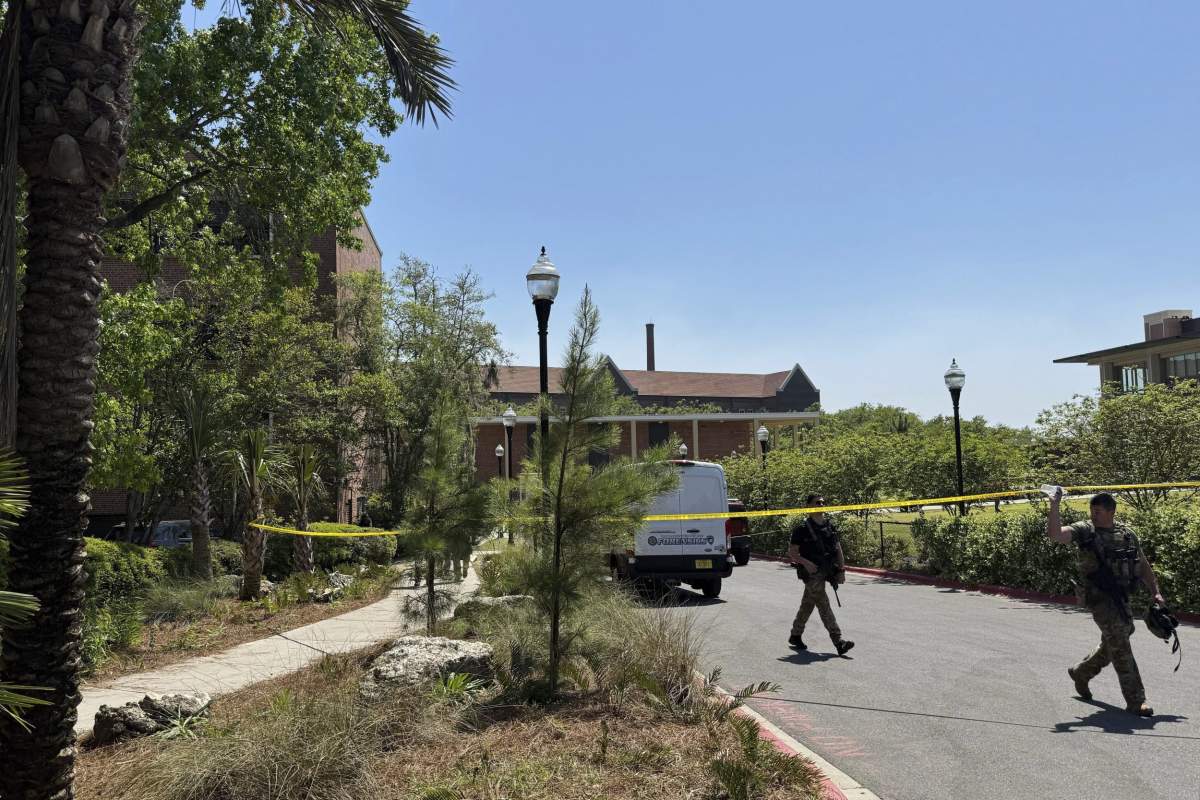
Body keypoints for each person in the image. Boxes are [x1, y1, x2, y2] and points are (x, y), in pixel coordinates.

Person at [1045, 490, 1164, 717]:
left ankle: (1082, 672)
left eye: (1098, 511)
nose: (1093, 515)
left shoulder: (1127, 534)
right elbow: (1055, 535)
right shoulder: (1085, 531)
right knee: (1120, 640)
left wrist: (1156, 592)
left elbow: (1143, 565)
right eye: (1092, 511)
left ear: (1111, 511)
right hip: (1098, 597)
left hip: (1120, 596)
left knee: (1121, 635)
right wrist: (1054, 505)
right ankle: (1136, 700)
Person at [788, 494, 854, 656]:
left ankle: (795, 635)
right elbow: (792, 553)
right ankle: (838, 641)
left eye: (823, 502)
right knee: (824, 604)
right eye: (817, 502)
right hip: (812, 574)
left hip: (828, 570)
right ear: (808, 506)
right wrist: (806, 563)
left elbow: (838, 549)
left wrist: (842, 570)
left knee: (808, 603)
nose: (821, 505)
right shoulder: (801, 529)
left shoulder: (829, 527)